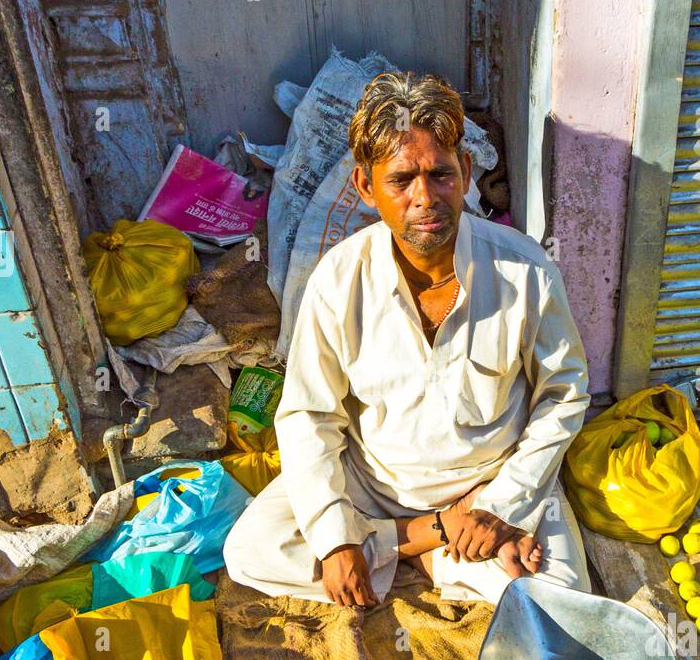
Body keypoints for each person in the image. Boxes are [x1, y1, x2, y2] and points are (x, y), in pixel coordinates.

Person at [223, 71, 591, 607]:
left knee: (561, 596)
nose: (425, 198)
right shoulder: (338, 279)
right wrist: (338, 538)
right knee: (253, 549)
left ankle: (424, 549)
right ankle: (429, 540)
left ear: (465, 173)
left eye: (440, 174)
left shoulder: (523, 267)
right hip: (372, 484)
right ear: (367, 187)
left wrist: (506, 507)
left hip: (486, 484)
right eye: (401, 180)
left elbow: (565, 393)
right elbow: (308, 416)